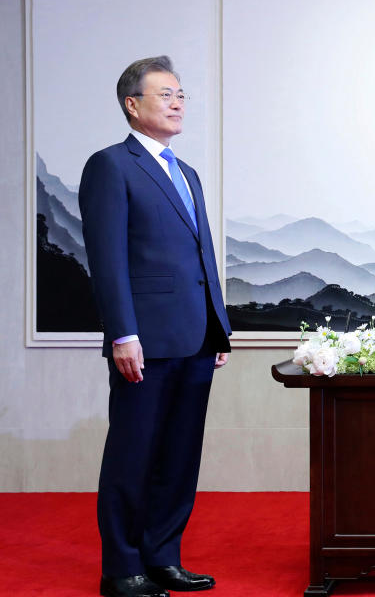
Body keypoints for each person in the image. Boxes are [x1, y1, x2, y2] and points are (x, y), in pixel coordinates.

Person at [79, 56, 231, 597]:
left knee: (179, 455)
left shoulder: (185, 172)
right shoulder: (110, 166)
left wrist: (220, 327)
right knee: (133, 453)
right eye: (165, 94)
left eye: (181, 94)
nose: (177, 102)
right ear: (133, 104)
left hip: (196, 336)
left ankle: (162, 557)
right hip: (144, 340)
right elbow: (108, 259)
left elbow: (202, 255)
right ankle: (122, 570)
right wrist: (122, 333)